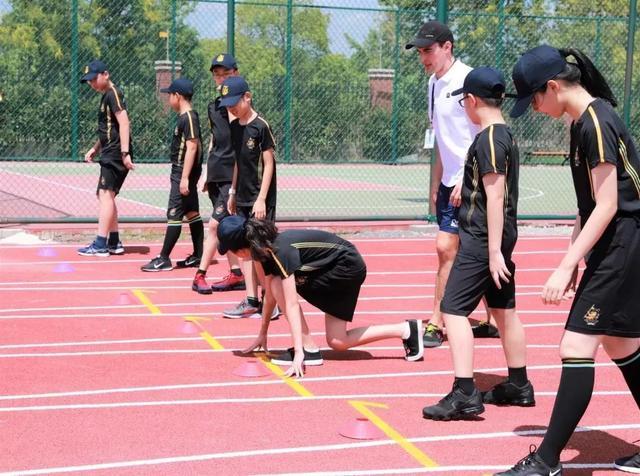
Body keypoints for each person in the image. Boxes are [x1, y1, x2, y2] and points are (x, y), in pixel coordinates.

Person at [496, 45, 640, 475]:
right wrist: (575, 255)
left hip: (625, 241)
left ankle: (545, 461)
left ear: (553, 87)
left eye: (534, 99)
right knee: (622, 344)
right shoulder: (582, 123)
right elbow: (587, 205)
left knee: (576, 345)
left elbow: (610, 203)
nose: (535, 108)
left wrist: (565, 265)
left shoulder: (595, 121)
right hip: (617, 242)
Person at [421, 66, 534, 421]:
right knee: (503, 311)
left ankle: (465, 392)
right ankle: (518, 385)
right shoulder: (503, 135)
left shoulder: (488, 140)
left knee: (453, 310)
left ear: (471, 101)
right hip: (494, 238)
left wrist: (494, 252)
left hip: (484, 239)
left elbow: (496, 196)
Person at [216, 215, 424, 376]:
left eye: (232, 252)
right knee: (338, 341)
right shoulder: (263, 250)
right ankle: (406, 330)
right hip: (331, 267)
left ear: (243, 249)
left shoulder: (280, 251)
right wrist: (263, 334)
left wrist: (299, 352)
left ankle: (308, 349)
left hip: (345, 268)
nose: (235, 256)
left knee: (280, 285)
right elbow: (268, 295)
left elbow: (291, 304)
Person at [406, 21, 500, 348]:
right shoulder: (433, 83)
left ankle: (436, 320)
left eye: (428, 51)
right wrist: (436, 183)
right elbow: (442, 140)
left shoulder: (468, 80)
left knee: (446, 249)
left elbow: (481, 136)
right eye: (420, 52)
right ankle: (493, 317)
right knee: (471, 250)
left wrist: (464, 178)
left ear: (447, 46)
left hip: (471, 180)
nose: (424, 58)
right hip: (449, 182)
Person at [219, 76, 277, 319]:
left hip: (259, 199)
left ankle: (271, 301)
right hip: (241, 197)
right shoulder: (235, 127)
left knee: (261, 251)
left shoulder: (260, 126)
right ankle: (252, 300)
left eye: (235, 102)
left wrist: (262, 198)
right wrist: (232, 192)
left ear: (247, 97)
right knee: (244, 250)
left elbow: (268, 164)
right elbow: (236, 164)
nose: (231, 107)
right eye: (227, 104)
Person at [192, 53, 245, 294]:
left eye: (226, 73)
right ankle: (236, 274)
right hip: (215, 173)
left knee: (214, 227)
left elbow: (241, 146)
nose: (221, 78)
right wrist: (205, 172)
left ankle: (199, 275)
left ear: (235, 73)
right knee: (225, 227)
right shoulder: (214, 106)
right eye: (217, 74)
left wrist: (234, 187)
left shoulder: (240, 107)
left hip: (230, 178)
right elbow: (215, 139)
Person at [141, 78, 204, 272]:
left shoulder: (189, 118)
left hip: (182, 172)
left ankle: (164, 258)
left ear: (178, 96)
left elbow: (193, 146)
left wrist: (185, 177)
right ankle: (198, 255)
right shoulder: (184, 118)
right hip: (184, 171)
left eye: (170, 94)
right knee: (192, 211)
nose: (168, 98)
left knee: (174, 213)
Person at [78, 60, 134, 256]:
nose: (92, 84)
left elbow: (124, 123)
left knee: (105, 195)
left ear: (106, 74)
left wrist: (125, 153)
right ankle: (114, 241)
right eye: (89, 81)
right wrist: (95, 148)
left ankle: (101, 244)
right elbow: (109, 129)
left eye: (94, 79)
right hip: (109, 150)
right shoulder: (106, 97)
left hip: (116, 153)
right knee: (105, 196)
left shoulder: (113, 94)